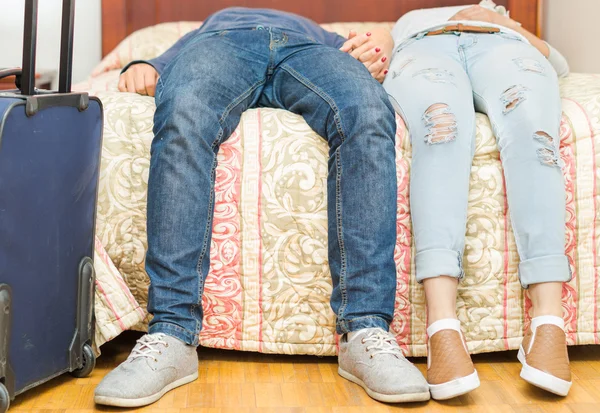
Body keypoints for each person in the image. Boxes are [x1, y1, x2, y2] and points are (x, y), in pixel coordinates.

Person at [94, 7, 430, 407]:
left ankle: (365, 329)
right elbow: (156, 62)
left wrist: (374, 53)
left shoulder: (321, 32)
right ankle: (171, 332)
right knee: (183, 111)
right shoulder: (216, 20)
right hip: (219, 48)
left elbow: (374, 47)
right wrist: (143, 64)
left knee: (369, 110)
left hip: (309, 52)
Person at [343, 0, 571, 400]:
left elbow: (562, 65)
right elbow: (378, 48)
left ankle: (550, 323)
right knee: (440, 129)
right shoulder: (408, 21)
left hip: (503, 47)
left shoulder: (503, 18)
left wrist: (504, 23)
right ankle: (442, 326)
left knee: (536, 135)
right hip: (424, 49)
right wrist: (384, 41)